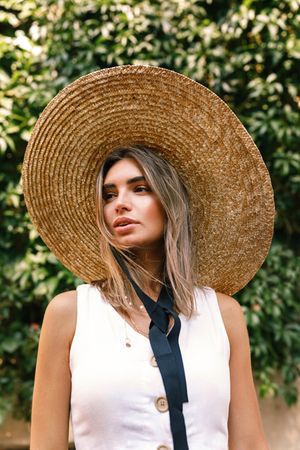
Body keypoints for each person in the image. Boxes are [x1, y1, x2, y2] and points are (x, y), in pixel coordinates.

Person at [22, 66, 275, 450]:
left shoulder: (223, 315)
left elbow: (250, 444)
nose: (120, 203)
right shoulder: (69, 314)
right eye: (108, 195)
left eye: (139, 189)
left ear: (171, 204)